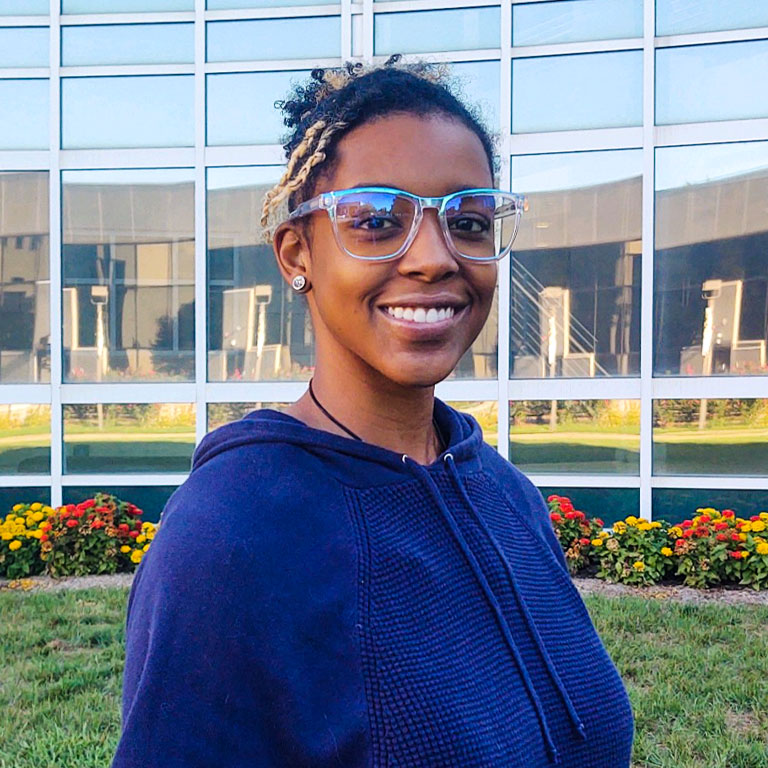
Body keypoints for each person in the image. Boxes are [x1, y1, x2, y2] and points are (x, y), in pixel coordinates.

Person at [111, 56, 635, 768]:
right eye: (378, 220)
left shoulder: (507, 497)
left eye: (471, 221)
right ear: (296, 252)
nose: (434, 258)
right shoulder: (228, 536)